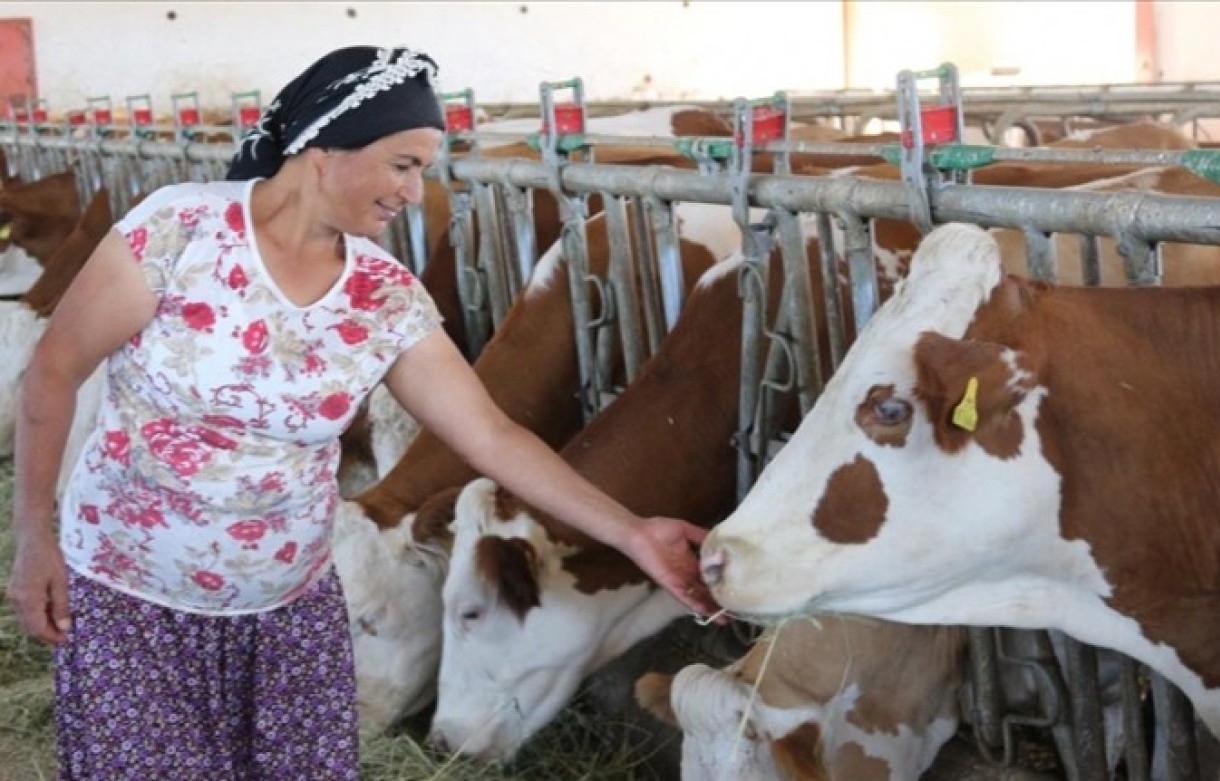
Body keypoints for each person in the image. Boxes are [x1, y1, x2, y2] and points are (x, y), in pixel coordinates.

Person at [5, 45, 718, 780]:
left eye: (424, 170)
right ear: (324, 148)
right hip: (135, 601)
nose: (415, 192)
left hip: (288, 616)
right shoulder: (180, 230)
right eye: (403, 164)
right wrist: (33, 536)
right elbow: (53, 373)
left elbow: (491, 434)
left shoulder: (384, 296)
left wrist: (632, 533)